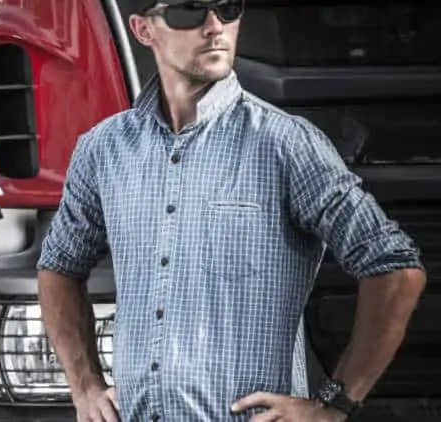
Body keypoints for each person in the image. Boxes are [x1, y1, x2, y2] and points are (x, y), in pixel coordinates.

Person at [35, 0, 427, 421]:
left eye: (228, 9)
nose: (214, 26)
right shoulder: (103, 149)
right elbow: (58, 266)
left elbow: (395, 268)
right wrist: (86, 387)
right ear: (143, 29)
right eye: (189, 11)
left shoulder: (285, 144)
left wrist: (335, 402)